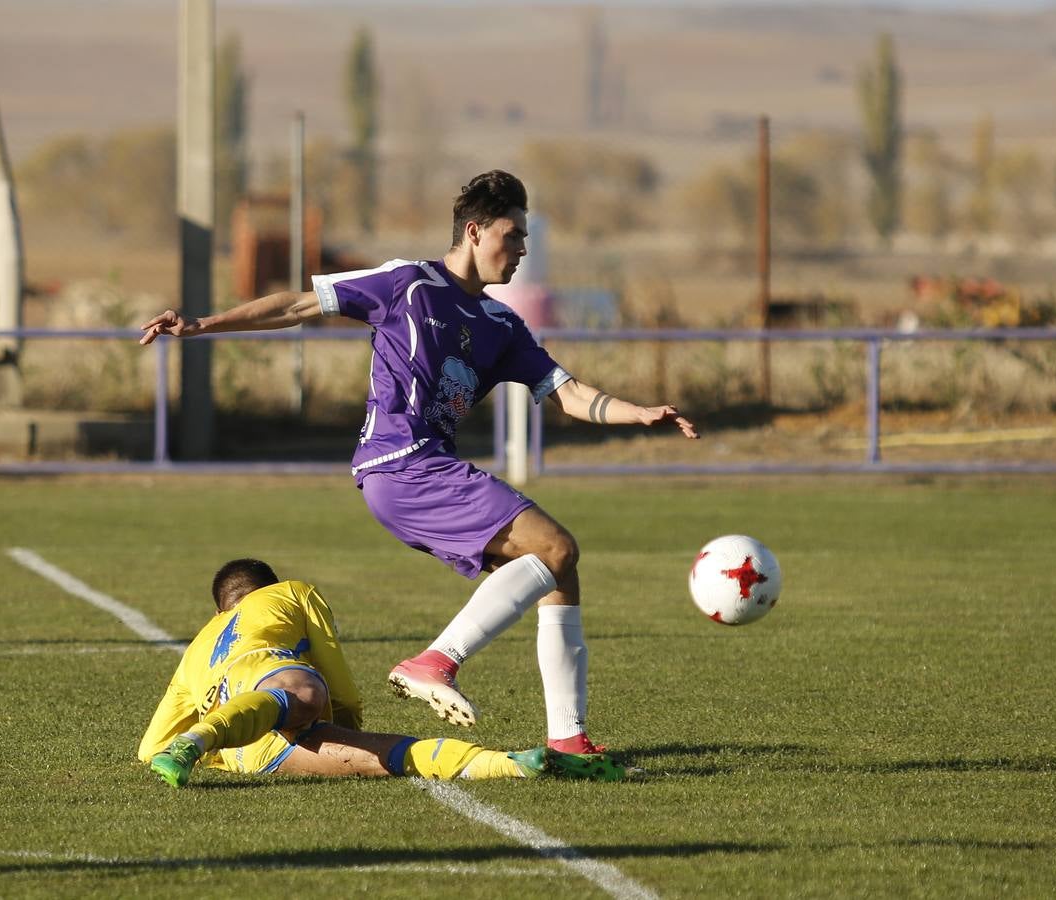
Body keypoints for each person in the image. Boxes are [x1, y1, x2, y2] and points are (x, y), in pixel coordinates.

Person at [140, 170, 697, 754]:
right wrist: (202, 324)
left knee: (558, 572)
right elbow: (299, 305)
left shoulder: (502, 327)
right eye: (515, 234)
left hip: (420, 472)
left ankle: (569, 739)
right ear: (475, 231)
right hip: (402, 463)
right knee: (556, 547)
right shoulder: (407, 283)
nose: (523, 249)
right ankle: (435, 662)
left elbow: (569, 393)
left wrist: (639, 414)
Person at [139, 557, 624, 787]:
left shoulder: (195, 649)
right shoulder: (291, 591)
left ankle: (515, 764)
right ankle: (201, 739)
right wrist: (346, 719)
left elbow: (149, 748)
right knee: (308, 691)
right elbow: (334, 671)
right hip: (272, 686)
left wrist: (216, 750)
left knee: (387, 759)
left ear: (219, 606)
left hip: (250, 752)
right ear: (267, 587)